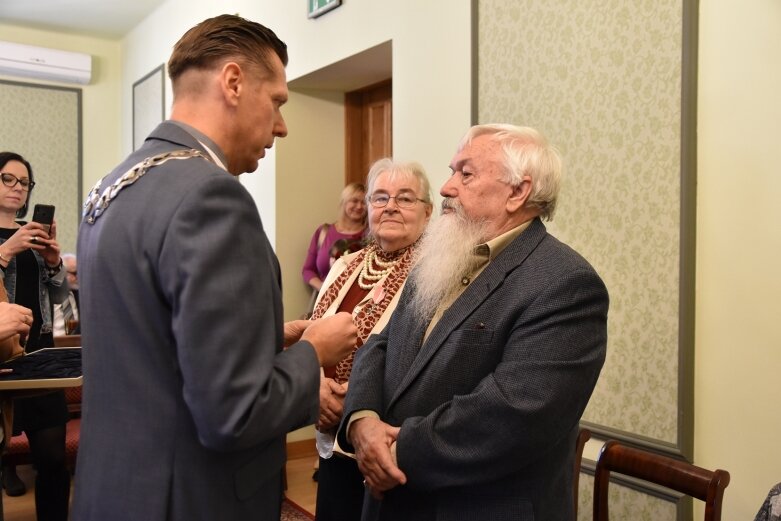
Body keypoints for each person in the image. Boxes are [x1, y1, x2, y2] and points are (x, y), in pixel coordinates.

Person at [71, 14, 357, 521]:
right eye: (278, 102)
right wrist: (314, 353)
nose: (282, 125)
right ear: (232, 82)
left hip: (113, 487)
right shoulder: (211, 196)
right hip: (189, 497)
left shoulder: (112, 187)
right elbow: (234, 414)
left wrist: (267, 341)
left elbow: (152, 344)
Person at [336, 124, 610, 521]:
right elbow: (381, 344)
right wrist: (361, 421)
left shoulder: (565, 284)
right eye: (452, 171)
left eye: (466, 173)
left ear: (518, 192)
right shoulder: (439, 259)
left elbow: (512, 415)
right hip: (389, 502)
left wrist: (390, 452)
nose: (447, 187)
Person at [313, 159, 433, 521]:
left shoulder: (436, 275)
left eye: (406, 198)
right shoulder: (345, 264)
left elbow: (426, 359)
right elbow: (311, 330)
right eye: (380, 198)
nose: (391, 206)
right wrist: (314, 386)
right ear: (367, 209)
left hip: (385, 443)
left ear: (428, 213)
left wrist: (355, 399)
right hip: (329, 438)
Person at [0, 151, 71, 518]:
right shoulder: (14, 241)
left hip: (40, 358)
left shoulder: (33, 234)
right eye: (8, 179)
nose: (17, 188)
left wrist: (54, 263)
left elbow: (60, 299)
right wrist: (5, 251)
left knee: (54, 458)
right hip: (1, 360)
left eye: (24, 183)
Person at [302, 183, 368, 294]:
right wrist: (324, 289)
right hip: (324, 304)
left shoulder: (371, 235)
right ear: (344, 202)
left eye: (364, 202)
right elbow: (308, 270)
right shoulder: (323, 232)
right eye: (354, 201)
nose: (359, 206)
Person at [51, 253, 79, 336]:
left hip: (77, 345)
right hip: (51, 346)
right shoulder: (45, 296)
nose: (78, 277)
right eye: (74, 273)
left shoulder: (82, 297)